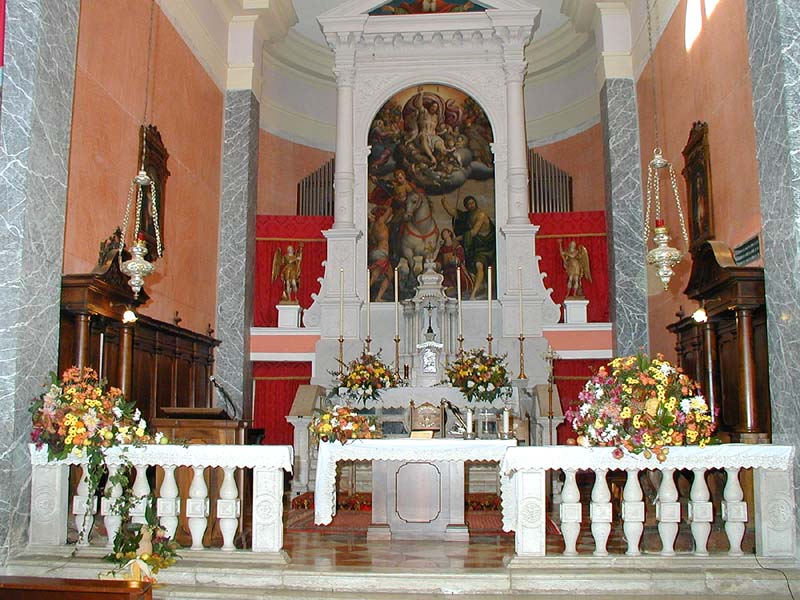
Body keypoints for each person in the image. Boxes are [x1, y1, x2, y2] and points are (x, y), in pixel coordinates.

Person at [441, 195, 495, 299]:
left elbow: (473, 232)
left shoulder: (481, 215)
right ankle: (475, 288)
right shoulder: (467, 215)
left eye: (472, 203)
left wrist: (458, 238)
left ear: (475, 203)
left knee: (479, 265)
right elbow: (454, 213)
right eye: (468, 204)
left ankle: (473, 294)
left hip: (485, 247)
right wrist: (444, 203)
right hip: (475, 247)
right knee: (469, 267)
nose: (471, 205)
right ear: (466, 206)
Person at [435, 228, 472, 297]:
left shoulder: (456, 245)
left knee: (459, 279)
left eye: (445, 232)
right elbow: (439, 259)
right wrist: (438, 264)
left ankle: (459, 289)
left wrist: (455, 259)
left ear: (449, 233)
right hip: (446, 271)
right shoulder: (443, 248)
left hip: (456, 269)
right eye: (443, 234)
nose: (444, 234)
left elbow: (460, 256)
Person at [368, 206, 394, 301]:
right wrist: (380, 206)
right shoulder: (380, 222)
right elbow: (390, 209)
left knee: (389, 275)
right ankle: (363, 293)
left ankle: (378, 297)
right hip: (381, 253)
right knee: (374, 276)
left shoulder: (373, 226)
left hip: (377, 253)